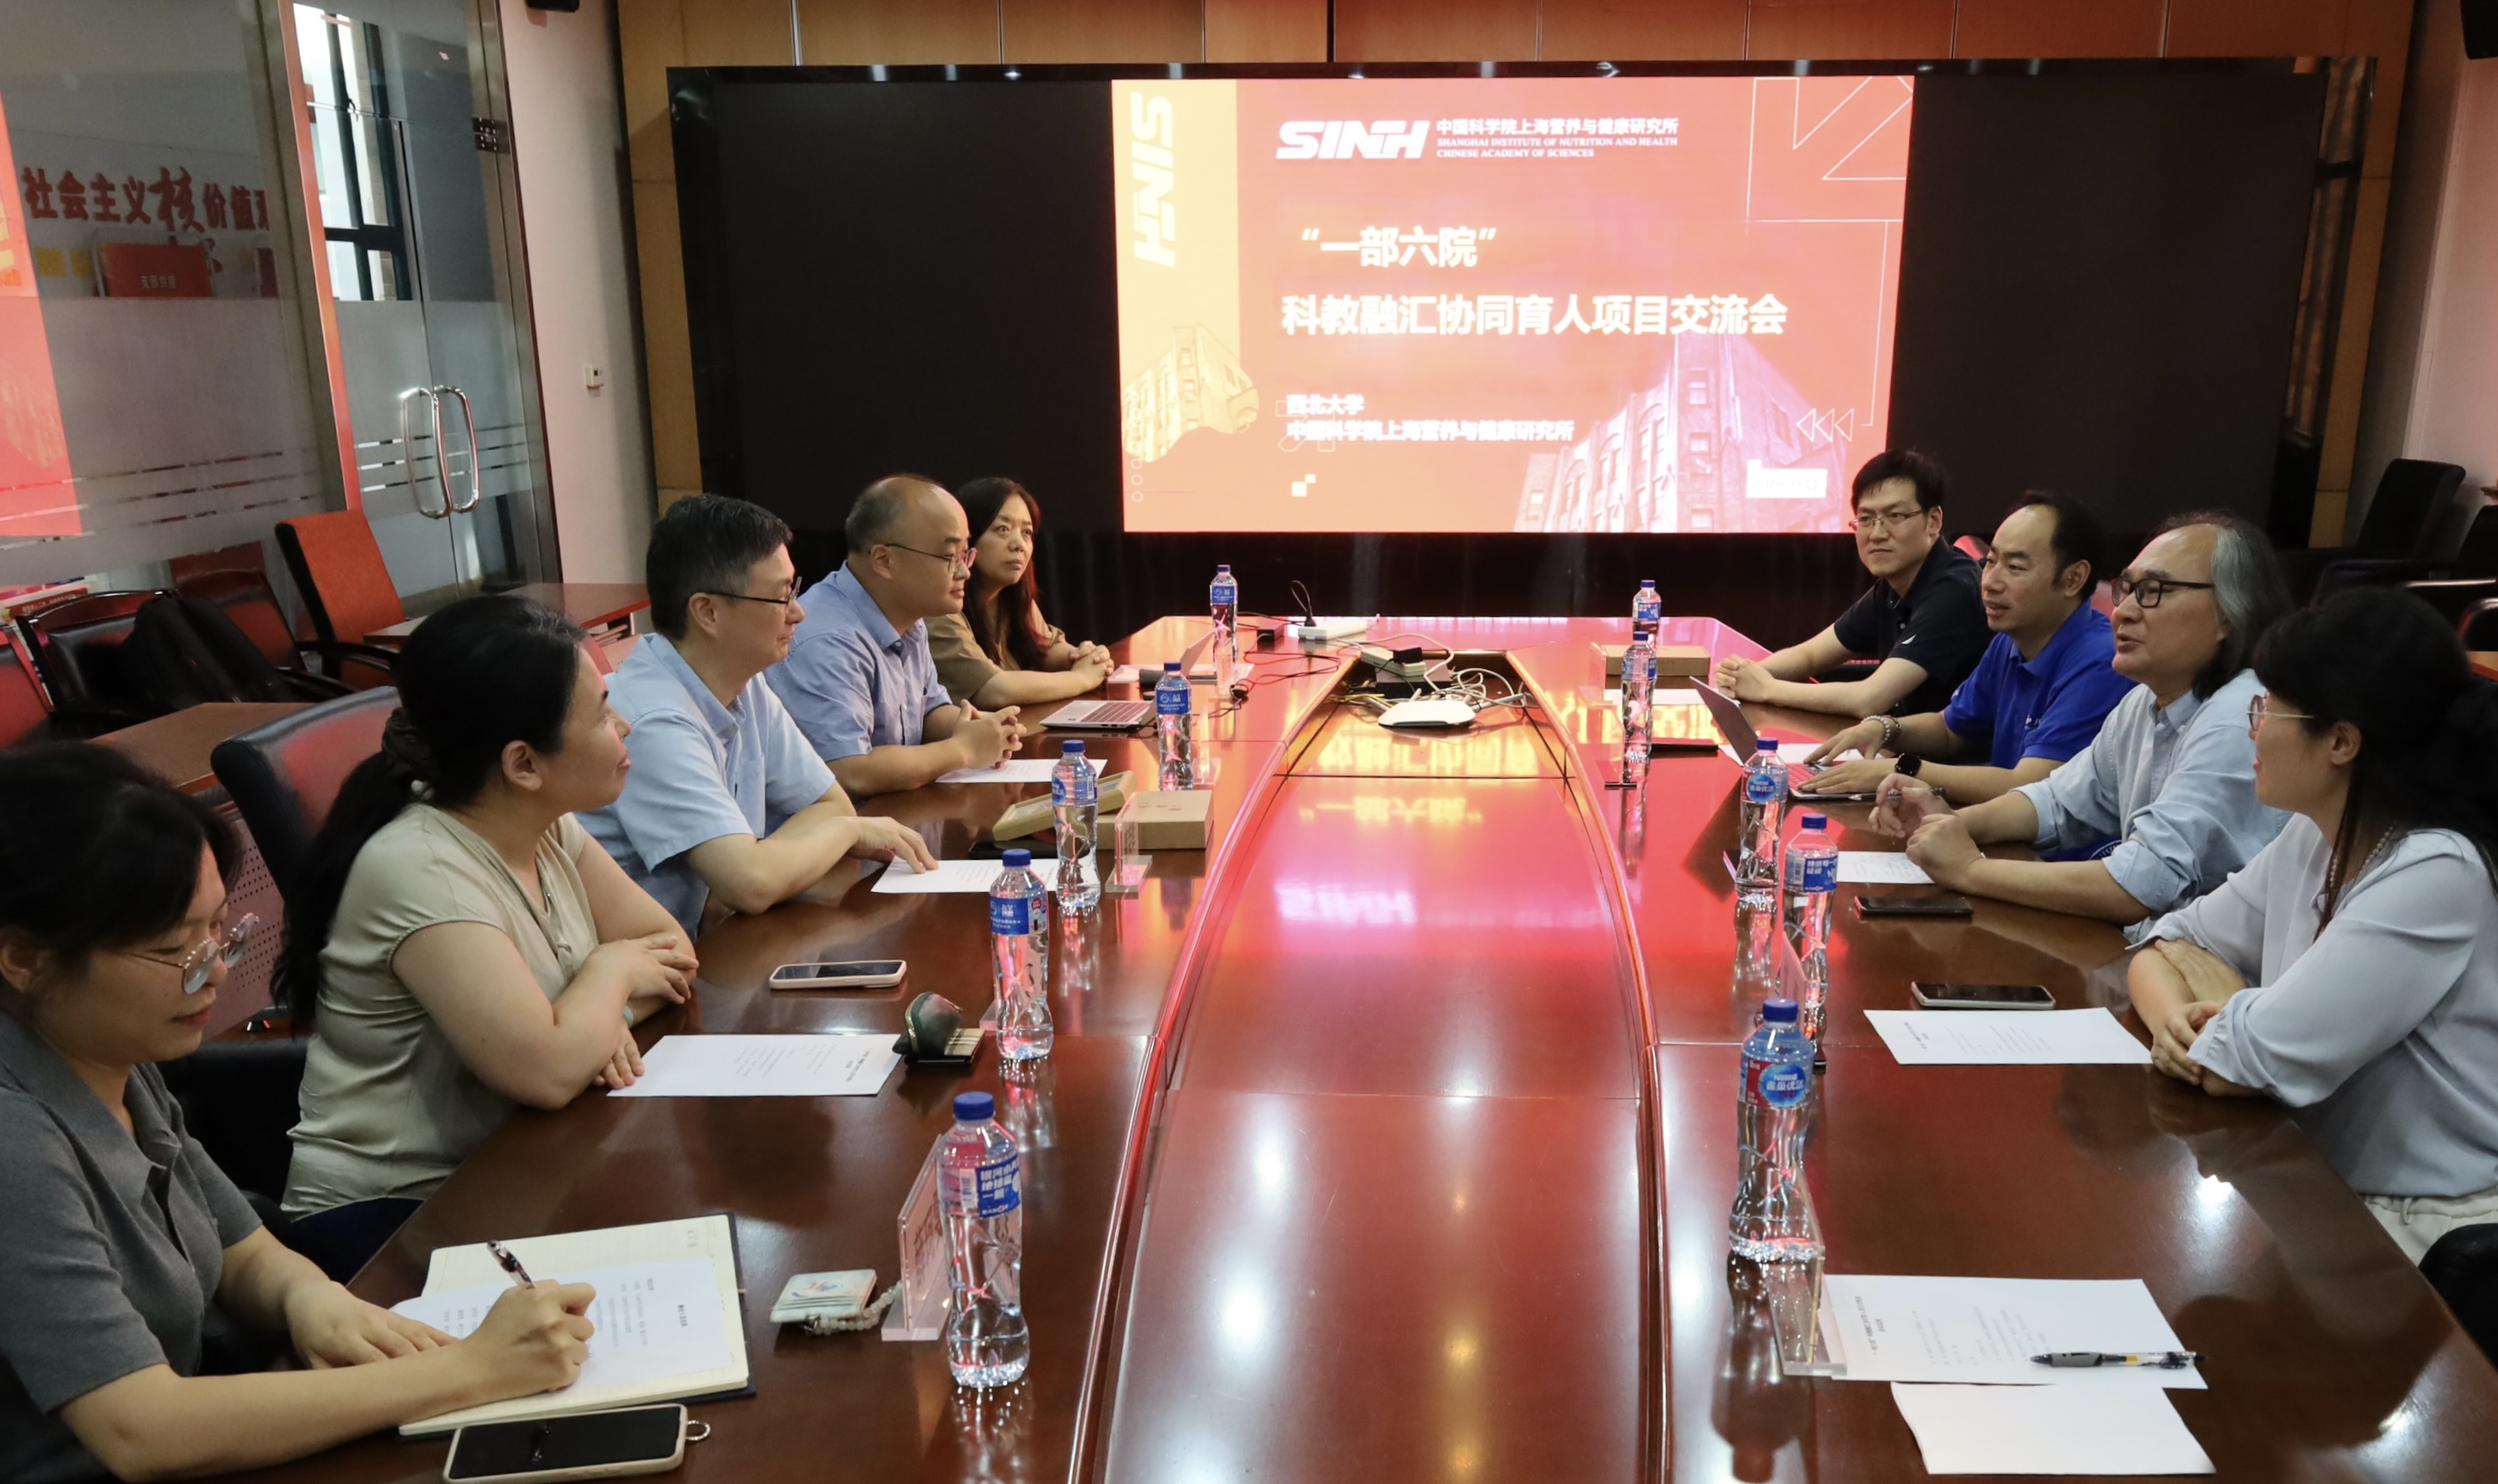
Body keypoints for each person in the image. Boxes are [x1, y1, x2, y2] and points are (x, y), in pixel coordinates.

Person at [0, 743, 596, 1482]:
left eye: (219, 929)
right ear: (24, 958)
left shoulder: (104, 1049)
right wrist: (472, 1368)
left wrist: (307, 1296)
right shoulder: (18, 1141)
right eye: (174, 949)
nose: (216, 970)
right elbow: (140, 1428)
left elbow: (238, 1243)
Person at [281, 596, 701, 1278]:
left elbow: (672, 950)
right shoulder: (422, 867)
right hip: (393, 1214)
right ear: (523, 763)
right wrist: (609, 975)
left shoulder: (545, 821)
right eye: (601, 714)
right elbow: (547, 1072)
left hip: (513, 1165)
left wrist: (588, 1029)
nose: (623, 725)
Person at [2128, 588, 2498, 1263]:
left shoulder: (2437, 869)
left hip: (2422, 1230)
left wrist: (2228, 1020)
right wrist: (2186, 1024)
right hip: (2302, 1169)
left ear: (2341, 740)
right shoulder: (2316, 832)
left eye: (2267, 707)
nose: (2254, 727)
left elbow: (2248, 1063)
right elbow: (2162, 944)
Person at [1870, 512, 2292, 929]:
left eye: (2152, 591)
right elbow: (2056, 802)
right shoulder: (2146, 699)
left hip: (2204, 966)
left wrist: (1968, 869)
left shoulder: (2239, 719)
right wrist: (1948, 824)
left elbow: (2137, 886)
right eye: (2127, 589)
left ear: (2227, 615)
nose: (2123, 612)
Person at [581, 495, 936, 936]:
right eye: (781, 597)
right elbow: (752, 885)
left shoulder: (744, 681)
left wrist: (761, 862)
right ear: (708, 612)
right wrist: (846, 833)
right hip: (658, 961)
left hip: (716, 941)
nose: (798, 612)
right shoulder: (652, 719)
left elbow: (830, 805)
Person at [1802, 493, 2136, 810]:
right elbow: (1950, 730)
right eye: (1991, 562)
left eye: (2015, 568)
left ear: (2073, 579)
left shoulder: (2101, 662)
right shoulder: (2010, 640)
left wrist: (1900, 770)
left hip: (2051, 847)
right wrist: (1884, 729)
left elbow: (2030, 787)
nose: (1990, 582)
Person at [769, 474, 1030, 795]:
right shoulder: (827, 638)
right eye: (950, 557)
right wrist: (963, 749)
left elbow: (929, 711)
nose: (965, 571)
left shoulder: (910, 617)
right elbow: (850, 771)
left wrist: (978, 726)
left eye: (966, 554)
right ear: (884, 561)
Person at [1712, 450, 1989, 718]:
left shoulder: (1954, 589)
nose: (1877, 534)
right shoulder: (1894, 585)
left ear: (1934, 521)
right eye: (1866, 519)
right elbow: (1810, 656)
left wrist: (1766, 689)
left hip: (1955, 749)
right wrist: (1744, 676)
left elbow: (1870, 699)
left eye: (1895, 516)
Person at [927, 477, 1113, 708]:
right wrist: (1081, 678)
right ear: (967, 539)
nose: (1019, 544)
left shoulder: (1010, 595)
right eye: (1003, 529)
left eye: (1027, 532)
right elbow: (993, 690)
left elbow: (1044, 648)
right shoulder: (940, 605)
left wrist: (1083, 656)